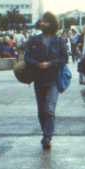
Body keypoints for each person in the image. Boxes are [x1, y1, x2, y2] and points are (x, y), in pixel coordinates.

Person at [25, 12, 67, 149]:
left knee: (49, 109)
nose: (43, 24)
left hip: (53, 79)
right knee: (41, 110)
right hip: (38, 79)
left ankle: (47, 136)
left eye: (46, 21)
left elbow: (64, 59)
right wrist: (37, 64)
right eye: (42, 21)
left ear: (52, 24)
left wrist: (50, 63)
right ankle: (45, 131)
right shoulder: (34, 40)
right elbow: (27, 57)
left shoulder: (59, 40)